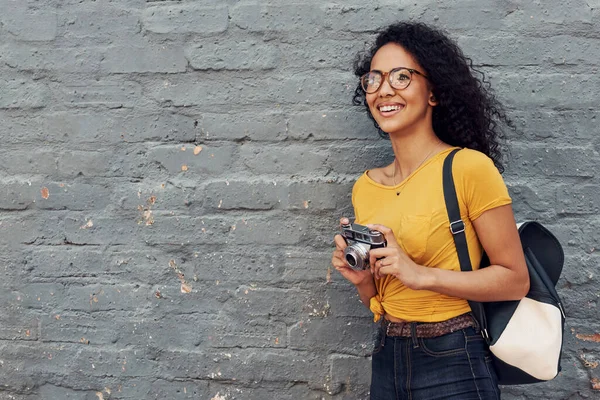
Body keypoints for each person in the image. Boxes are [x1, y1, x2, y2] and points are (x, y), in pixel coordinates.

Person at [331, 22, 530, 400]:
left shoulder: (467, 168)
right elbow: (382, 299)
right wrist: (362, 282)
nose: (384, 89)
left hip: (453, 357)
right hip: (386, 355)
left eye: (401, 77)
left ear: (433, 91)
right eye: (373, 79)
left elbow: (514, 280)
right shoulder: (365, 186)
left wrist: (421, 275)